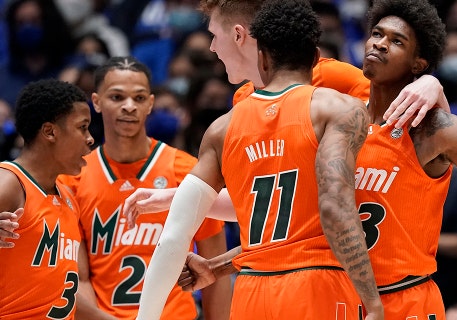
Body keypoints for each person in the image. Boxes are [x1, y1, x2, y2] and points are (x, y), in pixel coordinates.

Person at [172, 1, 457, 319]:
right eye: (377, 33)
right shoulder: (335, 119)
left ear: (419, 61)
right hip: (343, 299)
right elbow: (305, 232)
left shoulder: (433, 129)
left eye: (396, 41)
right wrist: (218, 266)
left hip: (408, 298)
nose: (380, 43)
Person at [136, 0, 383, 319]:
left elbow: (173, 237)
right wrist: (373, 302)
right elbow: (331, 206)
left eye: (214, 35)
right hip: (319, 283)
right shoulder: (341, 107)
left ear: (260, 55)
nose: (211, 47)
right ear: (314, 58)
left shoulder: (222, 126)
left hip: (252, 289)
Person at [56, 56, 231, 320]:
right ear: (97, 102)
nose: (129, 107)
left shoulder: (186, 169)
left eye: (138, 99)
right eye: (117, 97)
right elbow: (79, 278)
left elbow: (214, 269)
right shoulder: (73, 177)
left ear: (150, 104)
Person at [0, 79, 94, 318]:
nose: (90, 138)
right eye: (82, 127)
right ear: (50, 132)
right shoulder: (10, 183)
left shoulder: (67, 196)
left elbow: (64, 296)